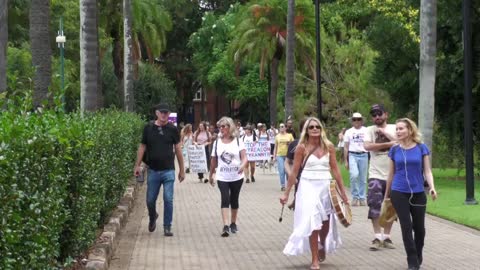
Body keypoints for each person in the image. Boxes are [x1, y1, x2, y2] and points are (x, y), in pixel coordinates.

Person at [280, 117, 349, 270]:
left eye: (317, 126)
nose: (315, 129)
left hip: (325, 185)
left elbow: (336, 171)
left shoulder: (329, 146)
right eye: (311, 127)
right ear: (306, 130)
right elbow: (294, 172)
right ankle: (314, 259)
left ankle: (322, 243)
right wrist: (286, 193)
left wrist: (343, 193)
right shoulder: (301, 148)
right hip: (307, 185)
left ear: (321, 128)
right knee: (313, 220)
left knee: (325, 222)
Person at [385, 118, 437, 270]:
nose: (398, 131)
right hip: (398, 191)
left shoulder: (421, 148)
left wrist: (432, 187)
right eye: (397, 129)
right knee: (406, 226)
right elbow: (390, 174)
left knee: (419, 228)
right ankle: (412, 261)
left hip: (418, 192)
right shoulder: (394, 150)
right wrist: (386, 195)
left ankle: (418, 252)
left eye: (401, 128)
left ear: (410, 130)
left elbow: (427, 170)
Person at [133, 103, 185, 236]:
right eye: (161, 112)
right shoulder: (148, 128)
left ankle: (167, 226)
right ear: (156, 113)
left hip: (169, 170)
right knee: (150, 200)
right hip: (153, 171)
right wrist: (137, 165)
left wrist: (182, 169)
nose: (164, 114)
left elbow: (178, 149)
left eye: (166, 112)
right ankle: (152, 216)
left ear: (169, 114)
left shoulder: (172, 129)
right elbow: (142, 147)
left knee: (168, 198)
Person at [363, 104, 397, 250]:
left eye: (379, 114)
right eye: (374, 114)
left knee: (391, 205)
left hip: (394, 174)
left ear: (386, 114)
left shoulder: (395, 128)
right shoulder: (369, 130)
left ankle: (387, 237)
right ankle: (377, 236)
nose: (377, 117)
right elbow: (367, 146)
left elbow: (400, 143)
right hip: (375, 174)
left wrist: (385, 134)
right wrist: (391, 144)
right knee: (374, 204)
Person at [209, 116, 248, 237]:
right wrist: (211, 174)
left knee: (234, 199)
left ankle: (233, 223)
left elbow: (245, 157)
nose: (221, 128)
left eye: (224, 126)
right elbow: (213, 160)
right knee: (225, 198)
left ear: (229, 127)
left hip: (236, 176)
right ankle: (225, 225)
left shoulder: (238, 141)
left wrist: (243, 165)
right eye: (219, 126)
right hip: (222, 176)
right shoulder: (217, 142)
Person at [343, 112, 369, 206]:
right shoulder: (349, 132)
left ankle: (362, 198)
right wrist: (345, 160)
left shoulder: (366, 130)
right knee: (354, 175)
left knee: (363, 178)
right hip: (352, 155)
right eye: (354, 119)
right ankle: (355, 196)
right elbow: (346, 147)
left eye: (358, 119)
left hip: (363, 154)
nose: (356, 121)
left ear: (361, 120)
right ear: (352, 121)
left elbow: (369, 143)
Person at [284, 118, 307, 210]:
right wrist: (290, 175)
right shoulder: (294, 144)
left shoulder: (319, 145)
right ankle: (296, 201)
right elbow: (287, 161)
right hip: (299, 176)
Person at [273, 123, 294, 191]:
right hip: (280, 155)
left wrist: (290, 144)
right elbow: (275, 147)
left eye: (282, 126)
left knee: (287, 171)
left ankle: (288, 184)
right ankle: (282, 185)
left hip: (288, 155)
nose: (281, 128)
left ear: (285, 128)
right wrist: (274, 156)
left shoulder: (289, 136)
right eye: (280, 127)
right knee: (281, 170)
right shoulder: (277, 136)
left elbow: (294, 145)